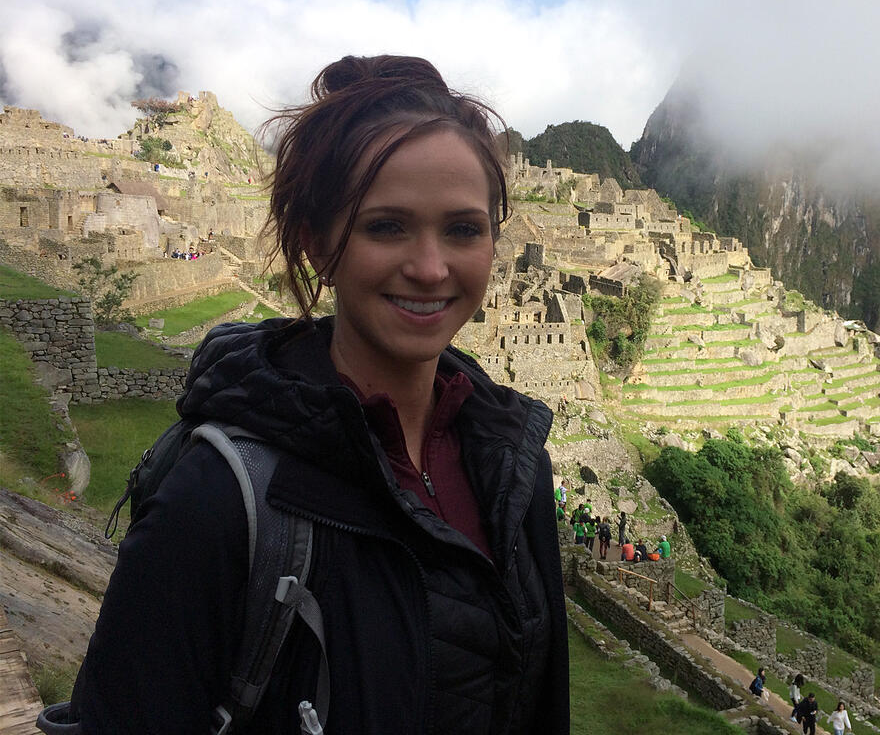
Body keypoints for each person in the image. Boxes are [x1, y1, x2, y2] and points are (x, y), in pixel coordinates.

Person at [55, 55, 569, 734]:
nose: (430, 267)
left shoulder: (513, 466)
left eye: (463, 229)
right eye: (386, 226)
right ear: (316, 244)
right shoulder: (218, 501)